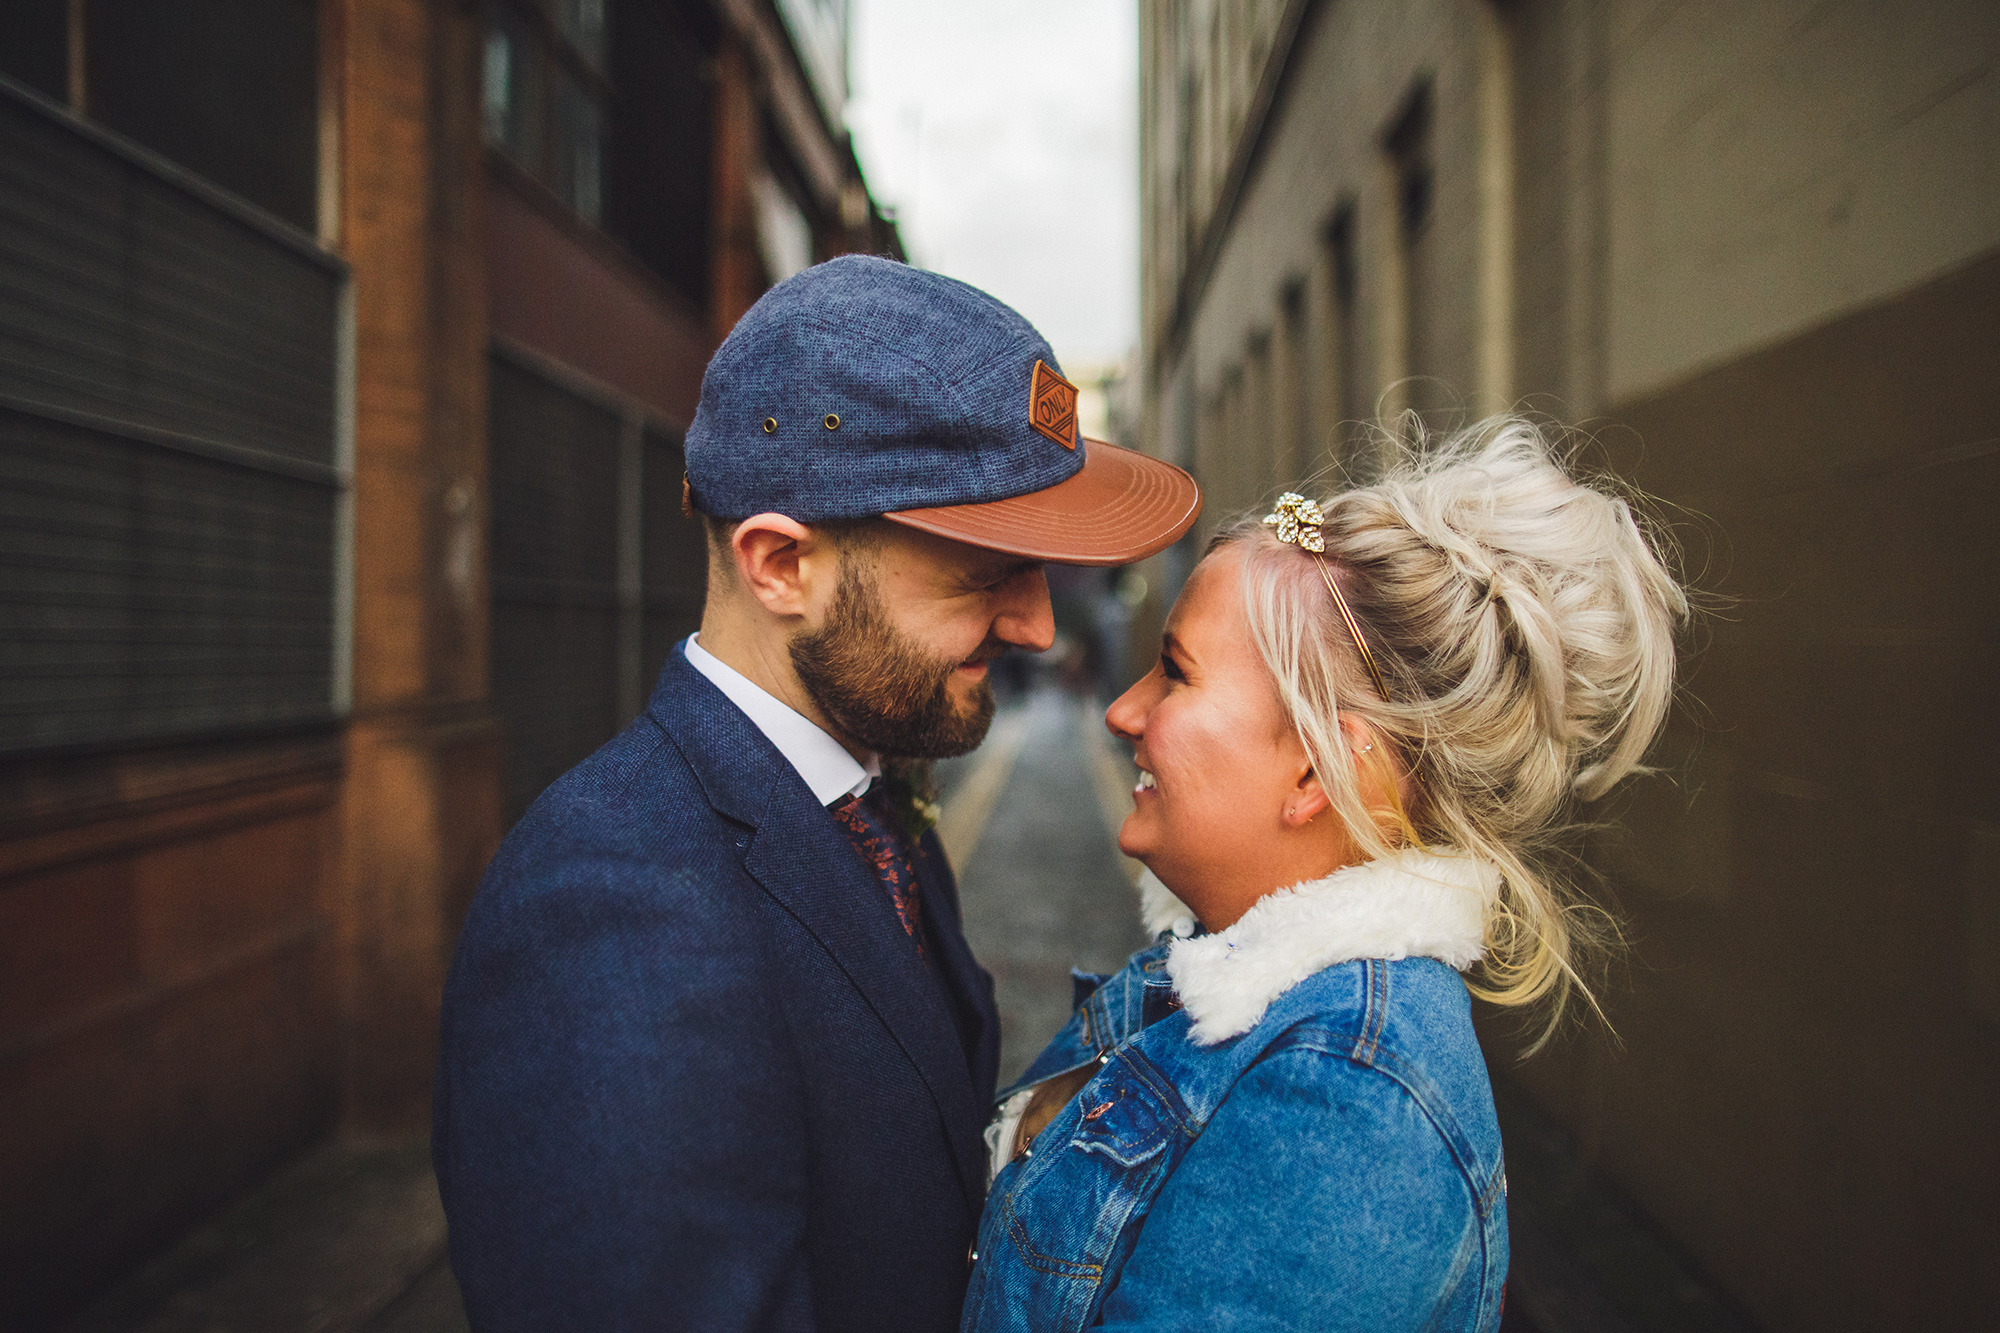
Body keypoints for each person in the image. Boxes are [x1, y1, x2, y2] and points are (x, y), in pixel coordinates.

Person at [434, 256, 1199, 1332]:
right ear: (780, 564)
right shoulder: (607, 914)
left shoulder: (872, 794)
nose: (1035, 626)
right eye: (984, 572)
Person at [962, 419, 1687, 1332]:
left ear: (1316, 767)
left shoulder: (1346, 1099)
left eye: (1175, 674)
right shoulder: (1232, 986)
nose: (1122, 710)